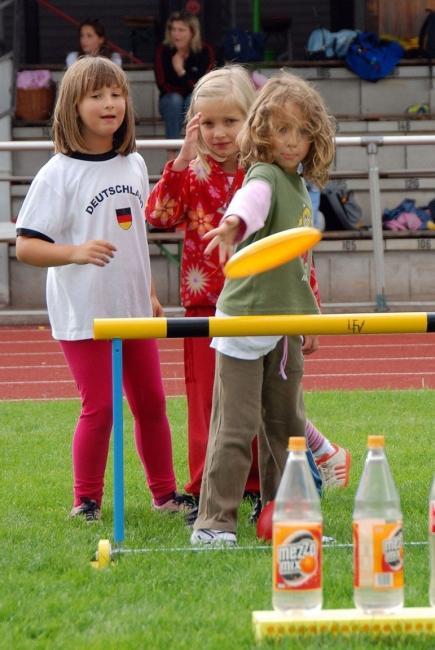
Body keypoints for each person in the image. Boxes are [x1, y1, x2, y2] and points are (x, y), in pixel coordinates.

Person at [146, 66, 349, 516]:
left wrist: (309, 308)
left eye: (230, 122)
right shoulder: (192, 175)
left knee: (271, 405)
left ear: (253, 122)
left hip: (267, 305)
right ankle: (208, 487)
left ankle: (263, 486)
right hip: (207, 306)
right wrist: (180, 161)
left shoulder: (268, 174)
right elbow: (158, 215)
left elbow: (295, 248)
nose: (219, 134)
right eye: (208, 124)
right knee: (213, 407)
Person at [15, 56, 194, 521]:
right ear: (73, 107)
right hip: (85, 314)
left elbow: (134, 236)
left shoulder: (132, 163)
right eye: (96, 96)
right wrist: (74, 252)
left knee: (152, 403)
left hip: (133, 308)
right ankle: (86, 502)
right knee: (101, 407)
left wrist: (151, 293)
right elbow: (27, 248)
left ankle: (165, 497)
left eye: (116, 94)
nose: (109, 103)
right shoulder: (58, 173)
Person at [190, 72, 337, 546]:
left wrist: (308, 316)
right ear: (261, 133)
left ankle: (291, 520)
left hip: (285, 324)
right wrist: (233, 225)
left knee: (288, 431)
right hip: (247, 321)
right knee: (236, 427)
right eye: (281, 130)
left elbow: (296, 261)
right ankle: (214, 523)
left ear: (314, 137)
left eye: (301, 131)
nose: (291, 142)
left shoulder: (300, 187)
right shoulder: (266, 176)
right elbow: (251, 202)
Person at [154, 11, 215, 145]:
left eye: (181, 30)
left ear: (192, 32)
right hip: (170, 100)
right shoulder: (163, 50)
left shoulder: (205, 51)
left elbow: (204, 86)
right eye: (173, 30)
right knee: (175, 101)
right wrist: (184, 90)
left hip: (196, 98)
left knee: (191, 99)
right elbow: (162, 84)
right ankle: (171, 152)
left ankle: (194, 151)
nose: (176, 34)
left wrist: (181, 71)